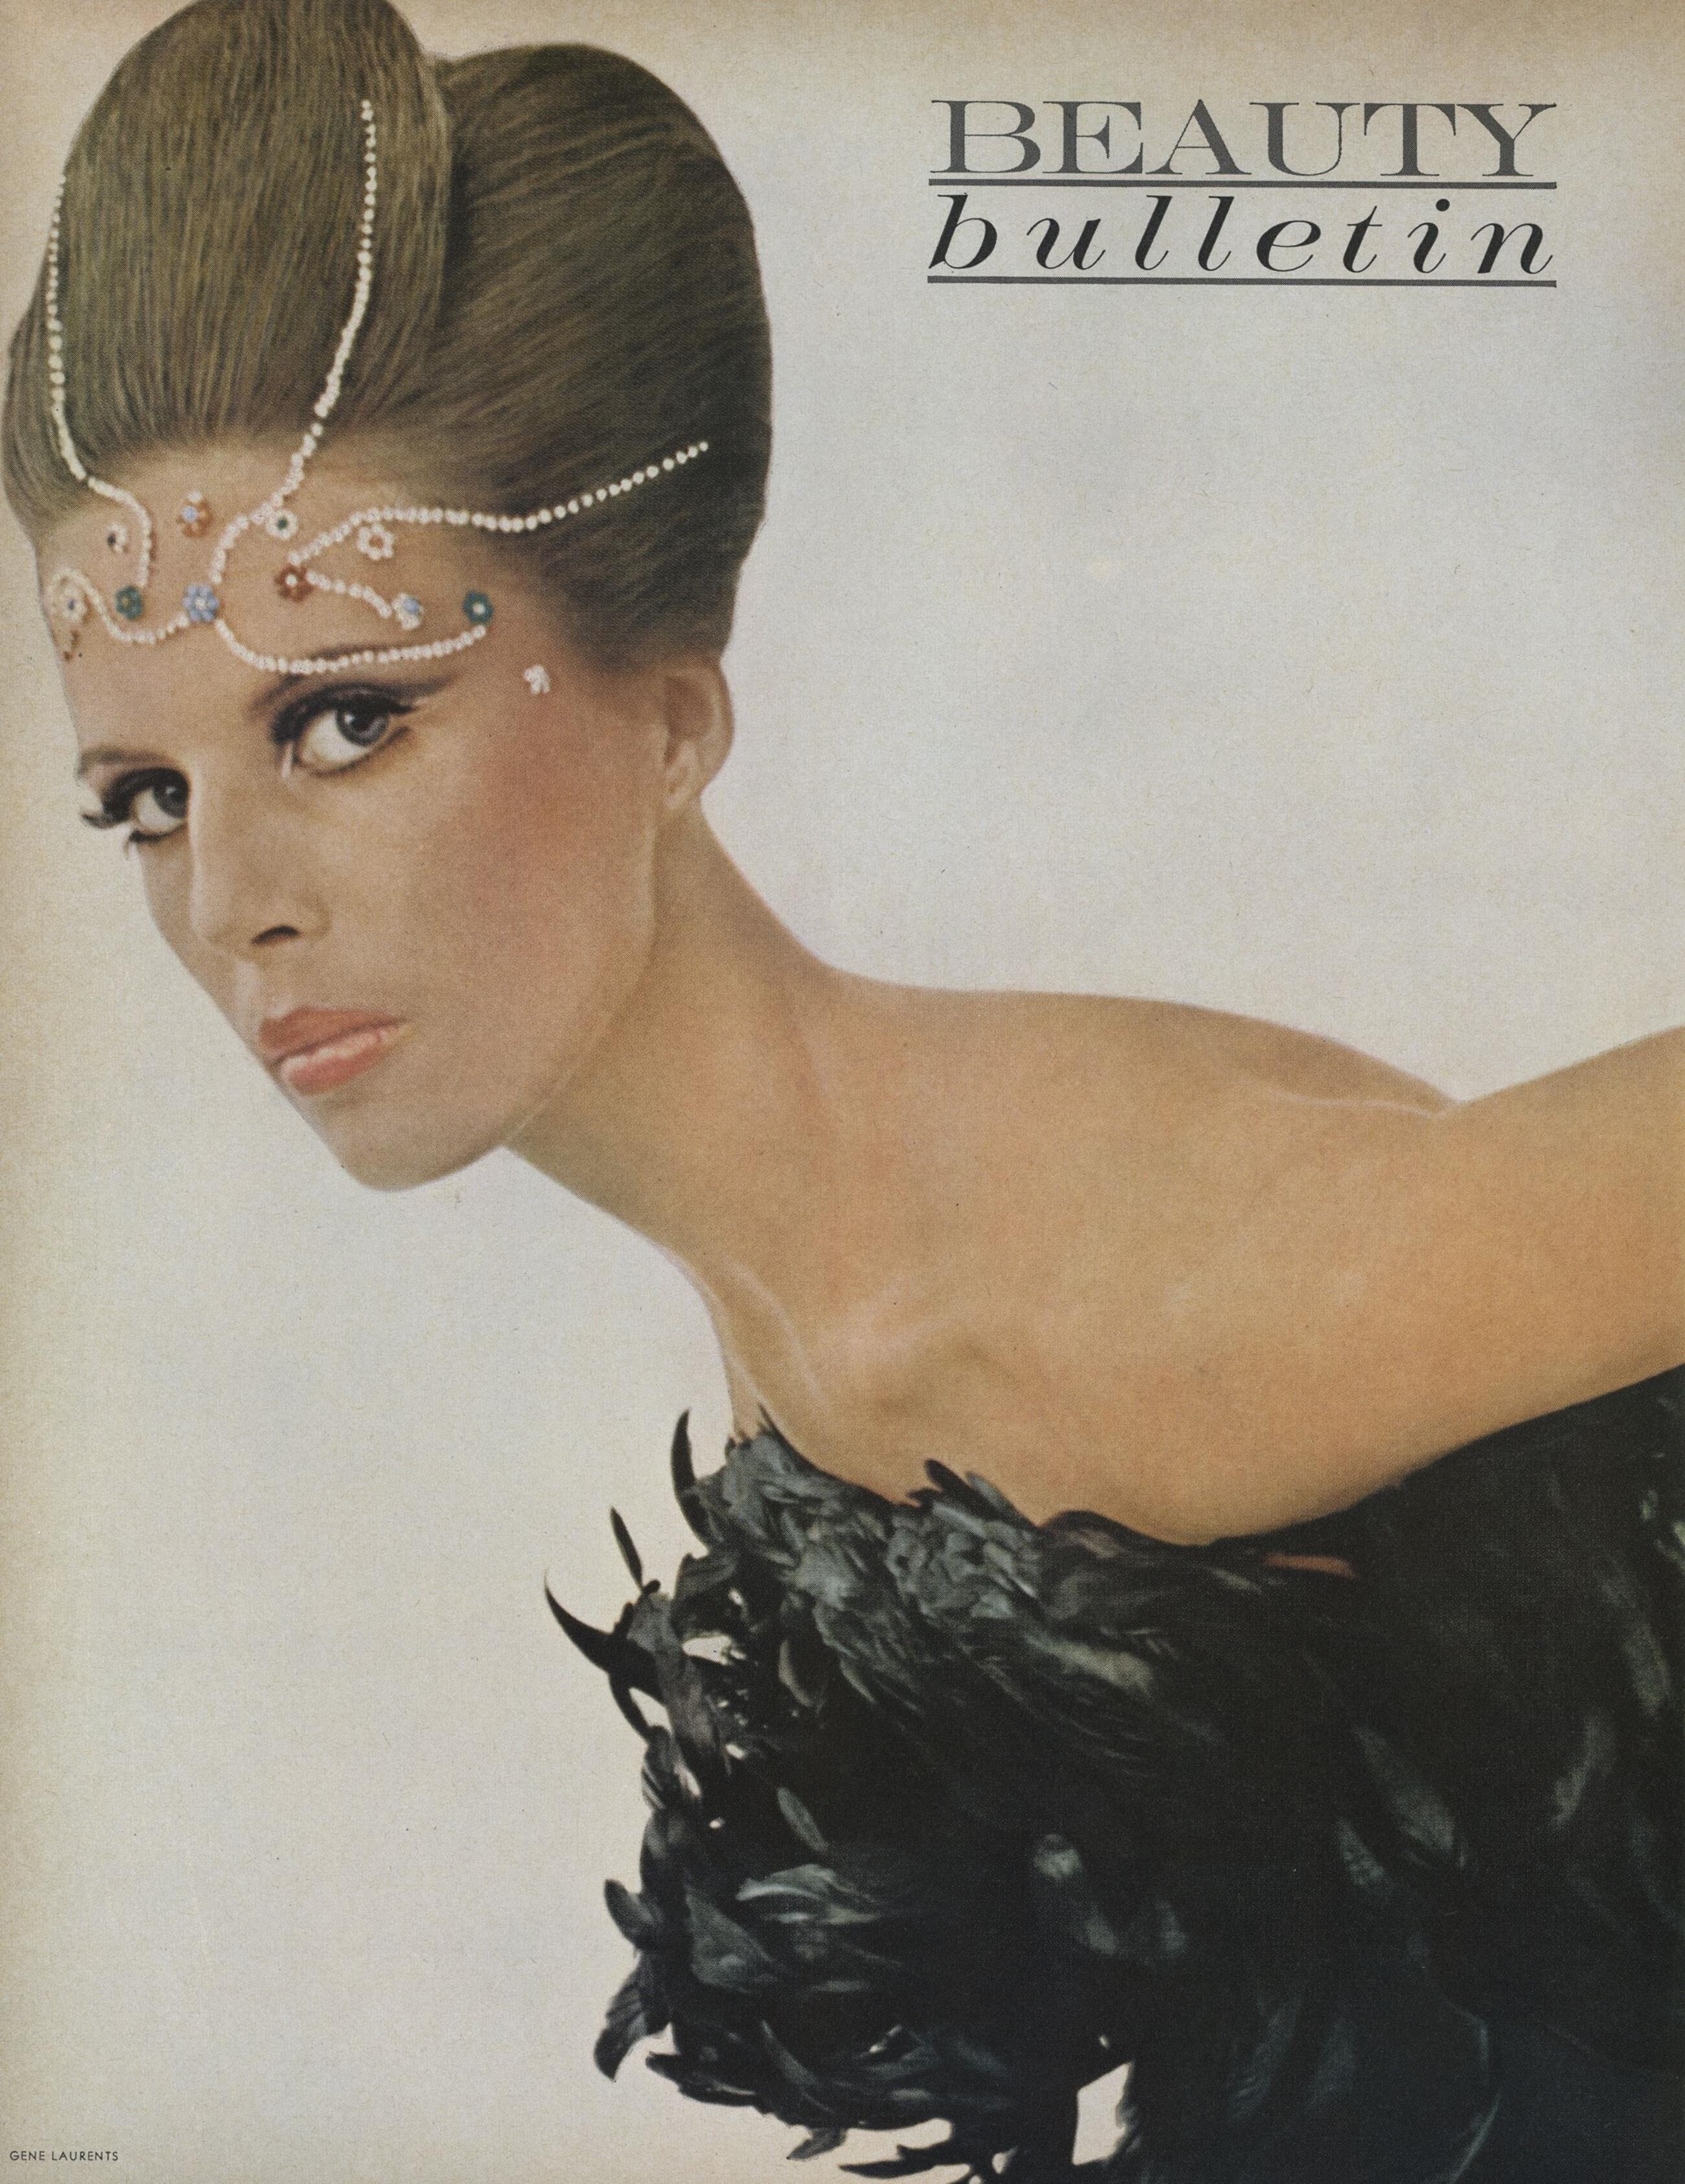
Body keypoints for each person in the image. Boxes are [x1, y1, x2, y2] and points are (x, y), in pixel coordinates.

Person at [5, 1, 1680, 2178]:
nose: (233, 901)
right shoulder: (825, 1254)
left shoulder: (1081, 1303)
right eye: (144, 798)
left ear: (673, 720)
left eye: (345, 723)